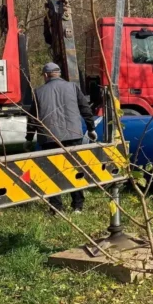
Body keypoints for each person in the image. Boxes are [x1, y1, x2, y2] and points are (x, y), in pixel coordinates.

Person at [25, 62, 97, 213]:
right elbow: (85, 108)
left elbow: (33, 118)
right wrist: (91, 128)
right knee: (74, 169)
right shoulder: (72, 87)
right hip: (73, 135)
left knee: (52, 173)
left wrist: (29, 138)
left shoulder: (38, 92)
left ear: (45, 75)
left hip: (49, 137)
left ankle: (56, 208)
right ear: (58, 74)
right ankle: (77, 206)